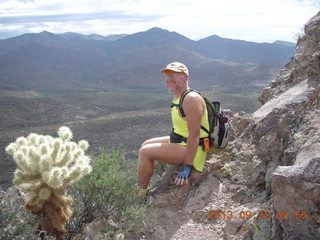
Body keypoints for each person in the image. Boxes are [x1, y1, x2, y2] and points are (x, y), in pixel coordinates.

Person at [137, 62, 209, 193]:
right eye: (167, 76)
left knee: (145, 152)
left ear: (185, 78)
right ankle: (150, 174)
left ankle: (141, 192)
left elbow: (195, 134)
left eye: (174, 76)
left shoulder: (191, 99)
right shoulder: (179, 97)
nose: (169, 80)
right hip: (182, 140)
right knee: (145, 144)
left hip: (194, 148)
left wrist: (187, 166)